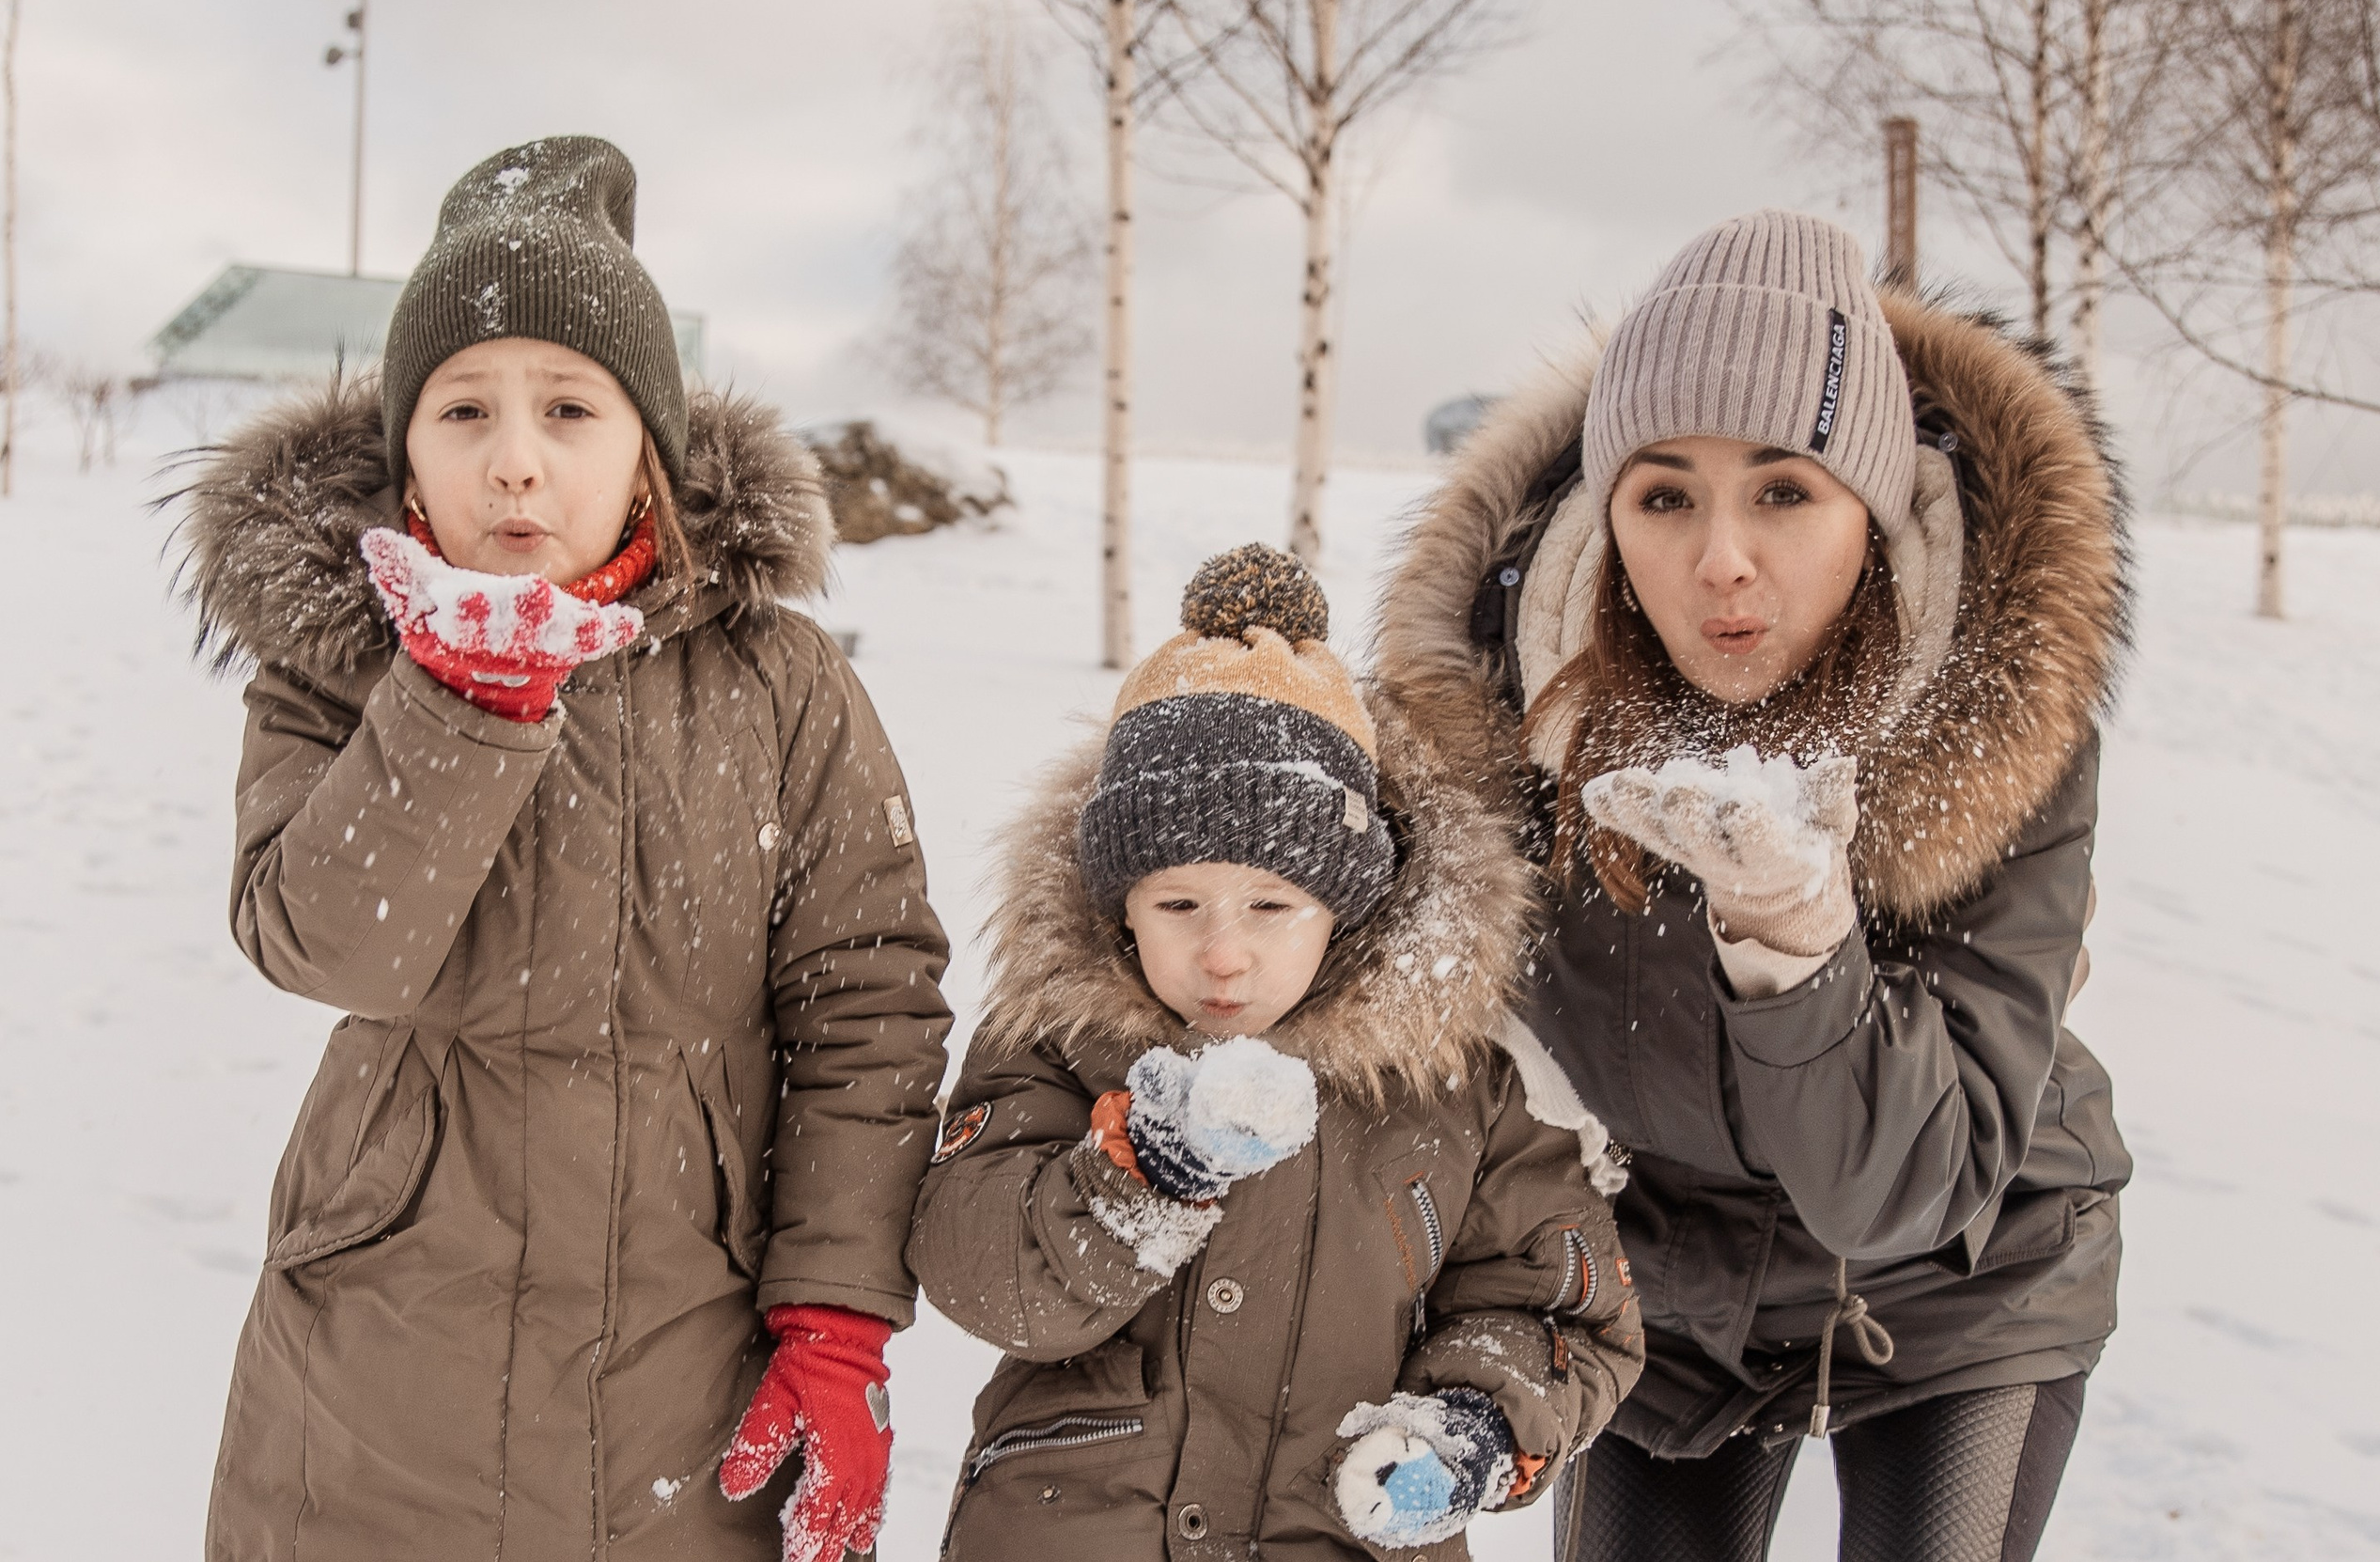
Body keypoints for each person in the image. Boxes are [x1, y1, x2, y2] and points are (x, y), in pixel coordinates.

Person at [175, 136, 952, 1562]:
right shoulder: (337, 663)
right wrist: (458, 701)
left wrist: (837, 1320)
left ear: (648, 445)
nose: (513, 460)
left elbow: (870, 1003)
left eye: (571, 408)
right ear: (406, 450)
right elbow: (322, 941)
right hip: (373, 1385)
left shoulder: (778, 681)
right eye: (462, 407)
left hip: (684, 1382)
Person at [1373, 210, 2133, 1562]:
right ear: (1608, 521)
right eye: (1665, 496)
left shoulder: (1994, 714)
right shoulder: (1495, 716)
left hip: (1960, 1269)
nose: (1723, 557)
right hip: (1658, 1290)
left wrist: (1793, 933)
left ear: (1874, 508)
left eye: (1784, 490)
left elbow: (1905, 1187)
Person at [907, 545, 1644, 1561]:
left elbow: (1554, 1300)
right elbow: (978, 1264)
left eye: (1270, 904)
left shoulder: (1456, 1074)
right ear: (1117, 902)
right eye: (1176, 903)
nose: (1222, 949)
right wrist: (1133, 1182)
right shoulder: (1063, 1037)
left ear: (1346, 904)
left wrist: (1472, 1421)